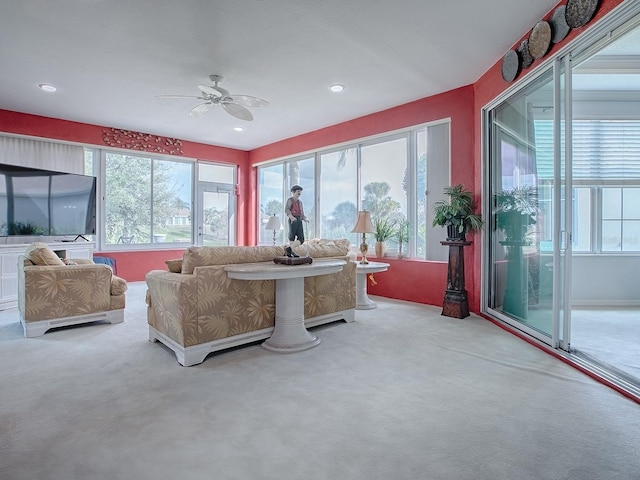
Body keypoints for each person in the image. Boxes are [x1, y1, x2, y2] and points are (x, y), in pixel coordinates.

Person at [285, 185, 307, 251]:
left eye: (300, 191)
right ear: (293, 192)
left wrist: (304, 218)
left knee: (301, 239)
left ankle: (290, 249)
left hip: (299, 219)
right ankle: (292, 252)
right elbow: (287, 209)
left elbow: (302, 212)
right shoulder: (290, 200)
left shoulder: (300, 202)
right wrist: (291, 217)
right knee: (292, 236)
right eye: (298, 191)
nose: (299, 193)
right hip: (293, 219)